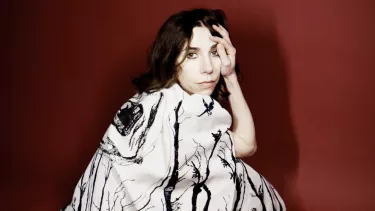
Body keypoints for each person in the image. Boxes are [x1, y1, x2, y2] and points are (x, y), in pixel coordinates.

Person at [62, 8, 285, 211]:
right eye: (191, 55)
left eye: (215, 53)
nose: (207, 68)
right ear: (171, 59)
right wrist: (230, 78)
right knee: (242, 180)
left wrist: (228, 74)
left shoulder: (149, 99)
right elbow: (247, 145)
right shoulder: (182, 109)